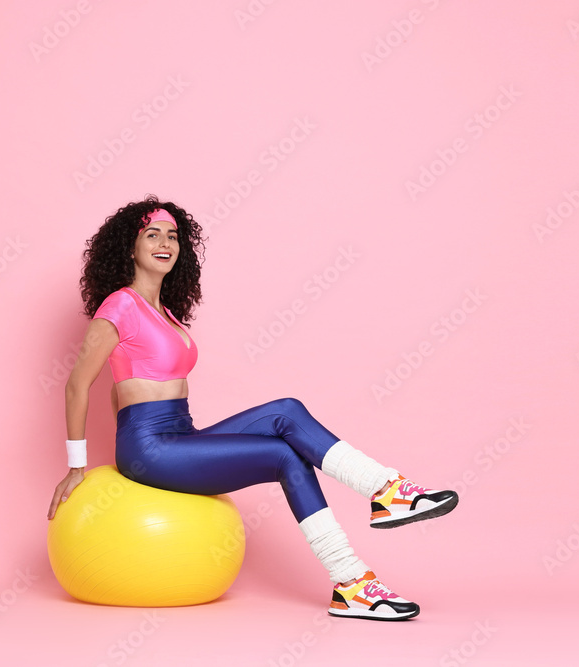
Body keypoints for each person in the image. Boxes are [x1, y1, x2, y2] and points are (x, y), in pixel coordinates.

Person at [47, 196, 458, 620]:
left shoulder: (166, 313)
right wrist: (78, 466)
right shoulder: (119, 305)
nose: (164, 242)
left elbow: (128, 385)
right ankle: (353, 579)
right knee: (284, 454)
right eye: (152, 235)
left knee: (287, 410)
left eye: (172, 235)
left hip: (180, 435)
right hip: (148, 448)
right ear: (130, 248)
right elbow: (78, 384)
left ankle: (384, 495)